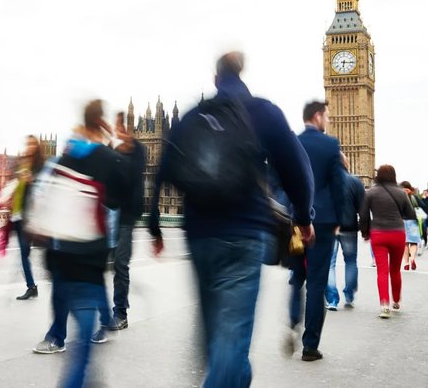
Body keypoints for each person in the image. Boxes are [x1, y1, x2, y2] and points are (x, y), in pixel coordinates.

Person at [149, 52, 314, 387]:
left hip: (199, 236)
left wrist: (154, 225)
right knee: (231, 340)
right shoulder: (263, 111)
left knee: (219, 341)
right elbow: (297, 169)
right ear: (243, 73)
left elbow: (162, 170)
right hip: (244, 233)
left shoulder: (194, 115)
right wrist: (303, 216)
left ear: (215, 78)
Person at [31, 99, 130, 388]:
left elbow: (42, 196)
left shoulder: (63, 158)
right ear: (101, 122)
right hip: (88, 258)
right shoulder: (107, 158)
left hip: (60, 254)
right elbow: (121, 196)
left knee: (65, 303)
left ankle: (63, 341)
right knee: (84, 340)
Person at [290, 100, 346, 362]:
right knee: (316, 284)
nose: (328, 120)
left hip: (295, 221)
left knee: (296, 276)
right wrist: (340, 219)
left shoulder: (292, 142)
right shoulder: (330, 145)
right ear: (317, 116)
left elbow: (281, 179)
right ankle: (309, 346)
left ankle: (291, 321)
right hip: (322, 222)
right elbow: (339, 185)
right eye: (327, 116)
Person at [93, 112, 146, 343]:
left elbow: (136, 164)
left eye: (124, 128)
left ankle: (120, 313)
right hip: (108, 214)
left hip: (125, 217)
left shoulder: (138, 152)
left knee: (121, 265)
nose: (120, 132)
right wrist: (106, 138)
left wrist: (128, 141)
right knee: (99, 265)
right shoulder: (113, 152)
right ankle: (102, 310)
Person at [360, 165, 416, 318]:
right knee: (395, 270)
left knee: (382, 271)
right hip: (397, 233)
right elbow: (410, 214)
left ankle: (384, 306)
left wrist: (365, 232)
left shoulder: (371, 192)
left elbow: (363, 214)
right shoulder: (401, 192)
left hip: (378, 234)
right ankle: (396, 302)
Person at [325, 153, 365, 310]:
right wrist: (365, 229)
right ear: (346, 163)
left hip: (329, 227)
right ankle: (349, 294)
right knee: (350, 262)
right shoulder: (355, 181)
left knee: (329, 264)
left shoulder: (326, 181)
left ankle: (332, 299)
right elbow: (362, 207)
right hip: (349, 228)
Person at [12, 135, 45, 300]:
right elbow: (14, 185)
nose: (30, 146)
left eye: (33, 144)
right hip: (17, 214)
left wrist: (32, 181)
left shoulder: (40, 166)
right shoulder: (22, 163)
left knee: (25, 251)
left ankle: (33, 286)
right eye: (28, 143)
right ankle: (31, 286)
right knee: (23, 253)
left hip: (31, 216)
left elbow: (43, 187)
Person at [399, 181, 427, 270]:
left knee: (405, 243)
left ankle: (406, 263)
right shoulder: (414, 196)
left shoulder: (399, 196)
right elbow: (424, 207)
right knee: (414, 242)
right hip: (414, 222)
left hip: (401, 222)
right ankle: (412, 259)